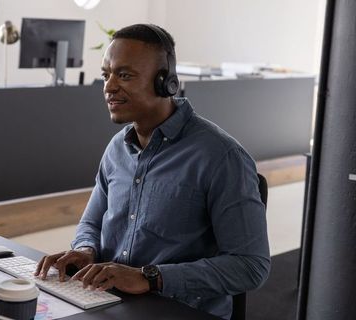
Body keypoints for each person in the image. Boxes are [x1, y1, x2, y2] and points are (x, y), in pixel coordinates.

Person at [35, 23, 270, 319]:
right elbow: (91, 225)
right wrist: (86, 250)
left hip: (177, 310)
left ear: (166, 83)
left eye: (124, 75)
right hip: (108, 303)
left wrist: (150, 277)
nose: (108, 87)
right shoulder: (117, 149)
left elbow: (251, 265)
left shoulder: (221, 157)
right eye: (106, 75)